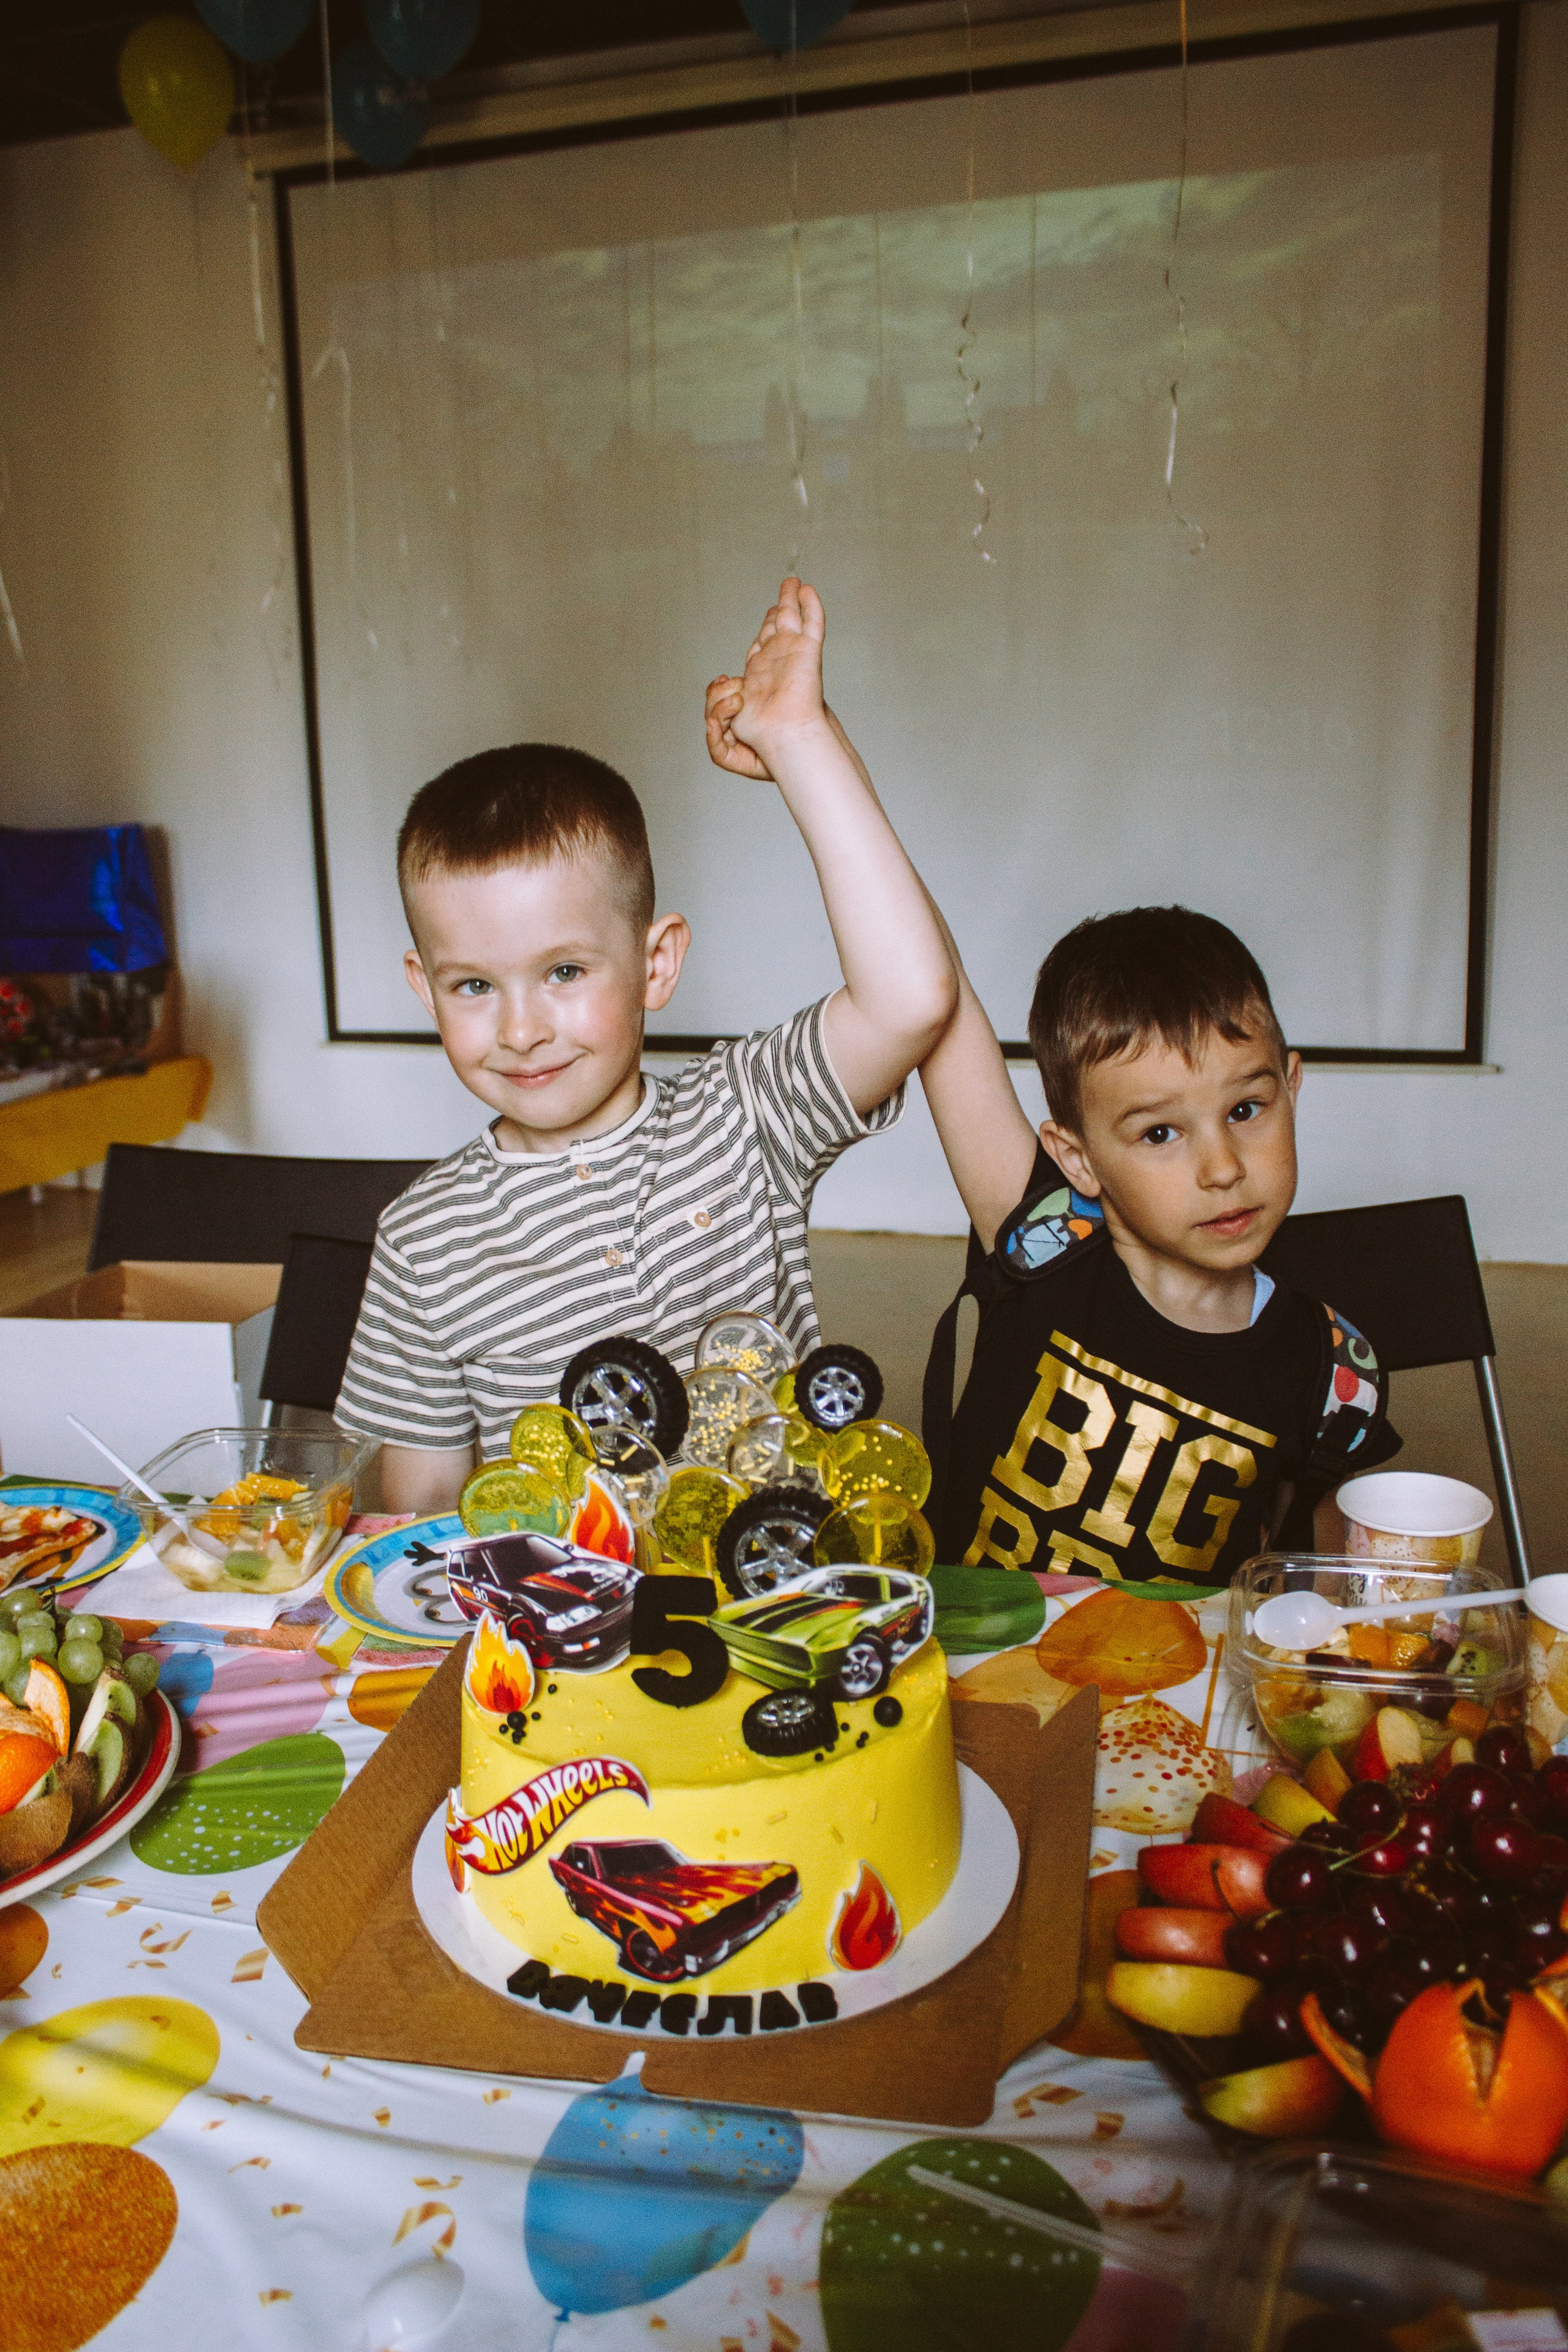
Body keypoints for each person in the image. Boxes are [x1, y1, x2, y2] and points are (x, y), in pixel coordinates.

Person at [336, 578, 956, 1515]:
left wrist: (801, 744)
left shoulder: (745, 1115)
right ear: (425, 989)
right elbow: (414, 1518)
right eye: (474, 986)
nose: (519, 1029)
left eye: (565, 973)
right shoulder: (422, 1242)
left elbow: (911, 997)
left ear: (656, 964)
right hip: (566, 1646)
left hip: (775, 1617)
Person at [916, 905, 1398, 1588]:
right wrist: (827, 787)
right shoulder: (1047, 1244)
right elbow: (926, 983)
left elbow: (1304, 1592)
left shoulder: (1329, 1373)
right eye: (1159, 1133)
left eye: (1244, 1110)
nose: (1223, 1168)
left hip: (1170, 1692)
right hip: (973, 1680)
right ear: (1077, 1159)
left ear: (1290, 1089)